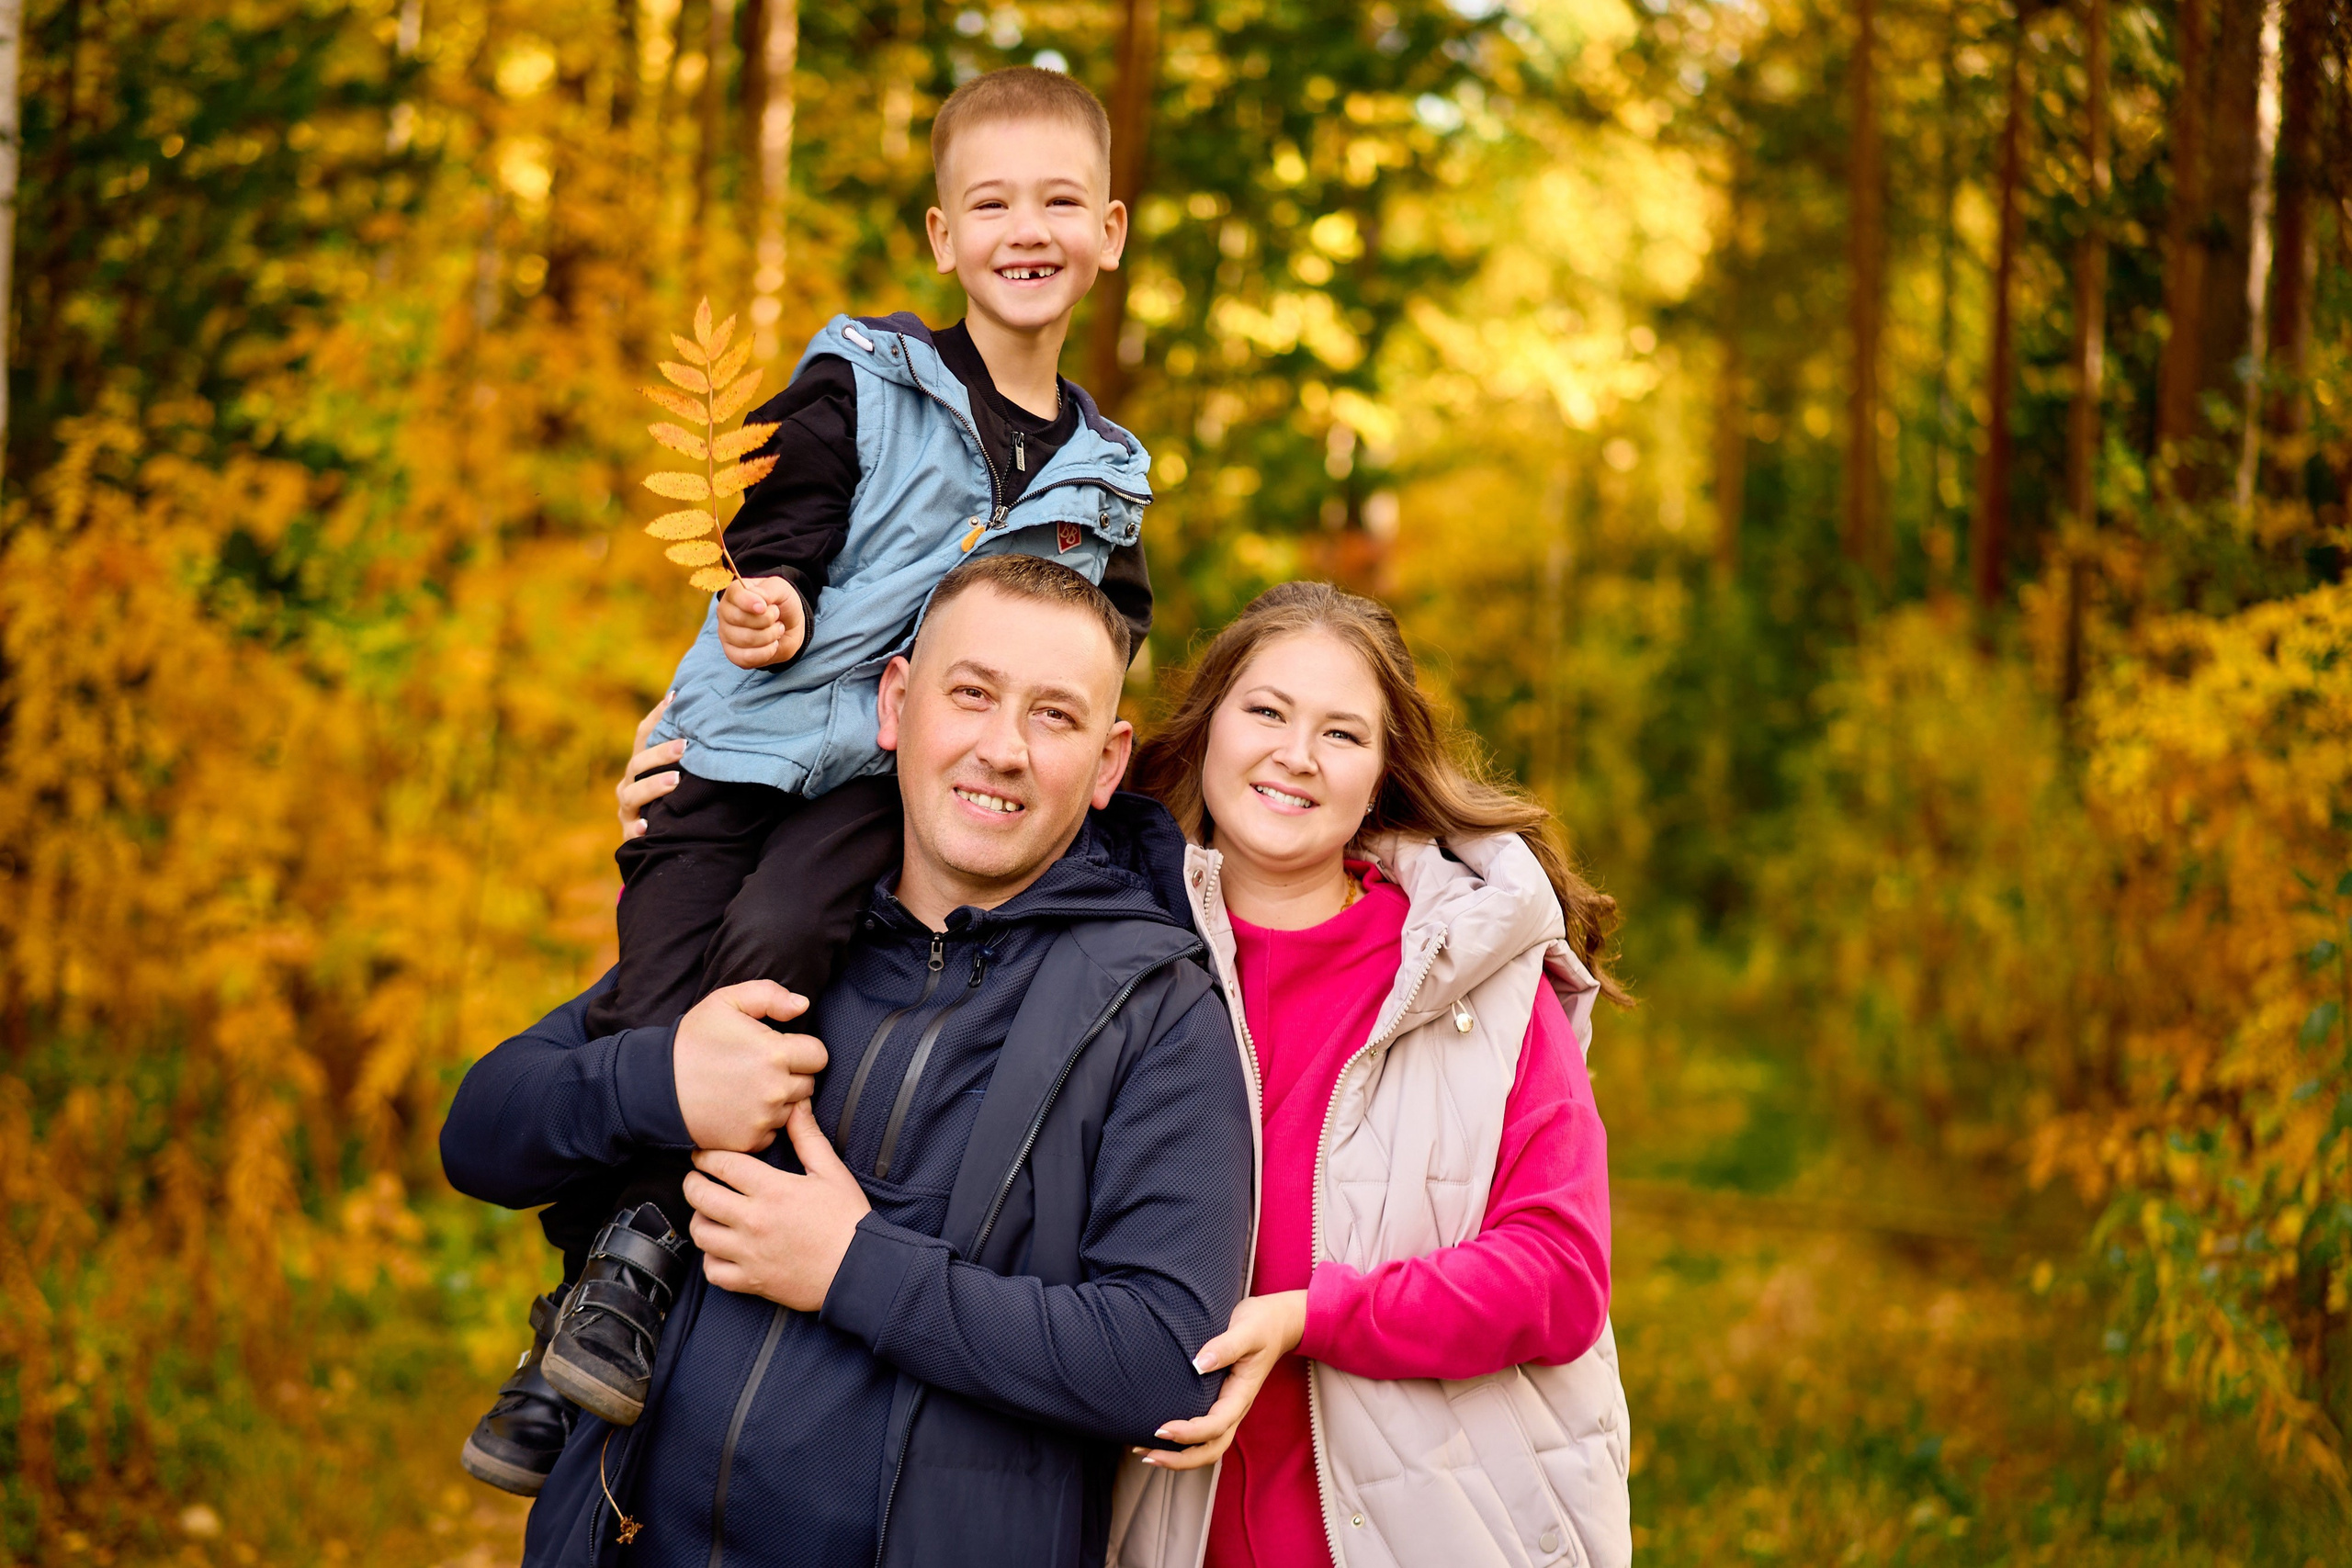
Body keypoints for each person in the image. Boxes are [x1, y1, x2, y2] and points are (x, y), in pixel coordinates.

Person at [459, 65, 1159, 1495]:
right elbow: (775, 528)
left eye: (1057, 201)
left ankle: (623, 1279)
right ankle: (609, 1275)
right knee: (661, 979)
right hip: (741, 741)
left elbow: (1103, 660)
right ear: (943, 234)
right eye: (992, 202)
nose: (1026, 227)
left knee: (774, 952)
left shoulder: (1107, 479)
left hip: (876, 781)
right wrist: (766, 599)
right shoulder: (863, 373)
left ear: (1110, 229)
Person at [441, 556, 1255, 1567]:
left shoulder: (1155, 1009)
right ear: (896, 703)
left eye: (1054, 717)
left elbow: (1165, 1358)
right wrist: (661, 1083)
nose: (1002, 749)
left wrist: (851, 1269)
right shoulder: (763, 929)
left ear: (1106, 764)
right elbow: (478, 1134)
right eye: (971, 694)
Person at [1108, 581, 1634, 1568]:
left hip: (1431, 1531)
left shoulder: (1471, 972)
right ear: (1207, 725)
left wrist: (1317, 1316)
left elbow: (1562, 1275)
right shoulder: (1108, 955)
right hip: (1164, 1530)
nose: (1296, 755)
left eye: (1342, 733)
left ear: (1384, 770)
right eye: (1265, 711)